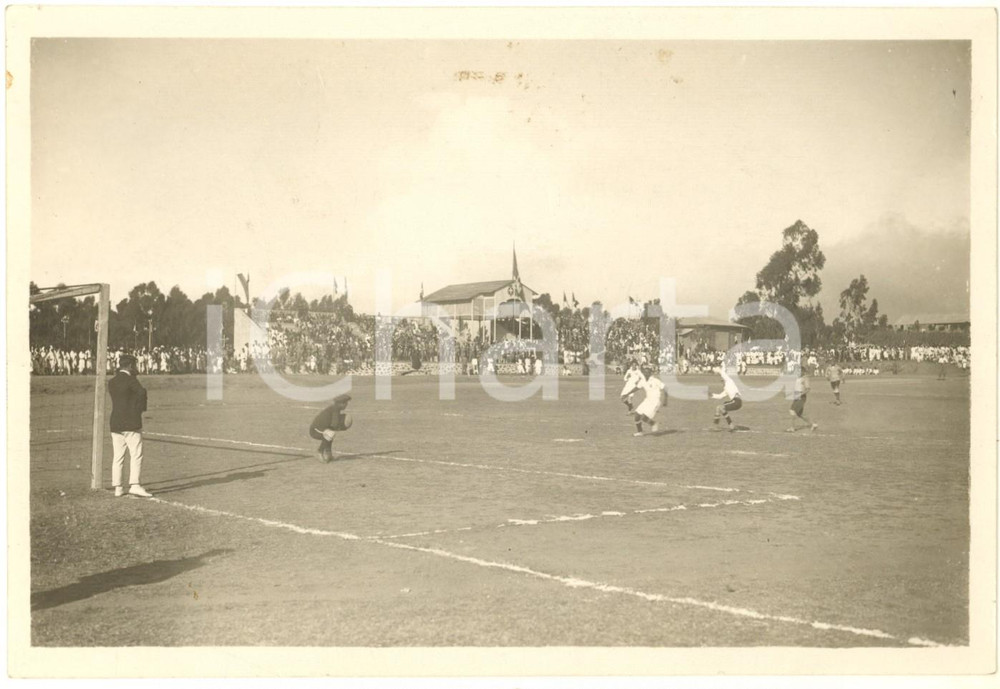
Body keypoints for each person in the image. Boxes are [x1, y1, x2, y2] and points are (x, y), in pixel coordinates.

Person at [108, 354, 151, 497]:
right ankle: (135, 484)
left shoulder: (112, 382)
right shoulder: (132, 380)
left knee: (118, 456)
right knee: (136, 454)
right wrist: (139, 409)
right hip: (131, 422)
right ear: (130, 366)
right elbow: (142, 392)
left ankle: (118, 487)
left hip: (115, 422)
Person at [309, 394, 353, 463]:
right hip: (315, 430)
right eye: (345, 403)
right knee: (330, 434)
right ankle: (320, 451)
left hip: (321, 429)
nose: (346, 405)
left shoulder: (335, 408)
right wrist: (342, 427)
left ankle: (328, 453)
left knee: (330, 433)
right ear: (341, 404)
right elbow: (334, 424)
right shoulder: (335, 409)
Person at [632, 365, 666, 436]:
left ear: (650, 373)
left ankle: (653, 423)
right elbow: (637, 388)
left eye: (647, 372)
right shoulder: (642, 381)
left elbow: (665, 388)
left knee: (644, 417)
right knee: (637, 415)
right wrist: (628, 393)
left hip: (655, 402)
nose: (645, 374)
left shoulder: (655, 381)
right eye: (644, 372)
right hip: (647, 400)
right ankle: (640, 432)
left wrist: (665, 400)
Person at [711, 366, 742, 432]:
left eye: (722, 381)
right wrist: (710, 395)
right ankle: (730, 426)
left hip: (736, 401)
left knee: (720, 407)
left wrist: (717, 369)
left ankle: (717, 426)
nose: (722, 382)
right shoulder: (726, 389)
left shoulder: (729, 381)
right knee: (720, 408)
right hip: (735, 402)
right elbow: (719, 396)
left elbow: (723, 373)